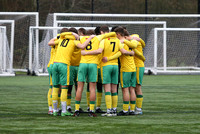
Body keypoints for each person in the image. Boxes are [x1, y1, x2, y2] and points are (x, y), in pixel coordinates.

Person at [48, 28, 95, 116]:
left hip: (54, 64)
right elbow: (83, 46)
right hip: (64, 65)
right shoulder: (73, 41)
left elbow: (50, 43)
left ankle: (54, 110)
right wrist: (90, 38)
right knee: (65, 88)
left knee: (55, 88)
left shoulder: (61, 39)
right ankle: (64, 111)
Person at [81, 25, 122, 116]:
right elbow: (121, 51)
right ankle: (114, 110)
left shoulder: (103, 41)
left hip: (104, 66)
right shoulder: (117, 40)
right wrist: (111, 58)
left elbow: (99, 51)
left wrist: (86, 53)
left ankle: (108, 110)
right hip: (115, 65)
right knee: (114, 89)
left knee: (105, 89)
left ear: (102, 32)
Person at [74, 29, 116, 117]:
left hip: (83, 64)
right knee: (92, 88)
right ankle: (91, 110)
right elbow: (112, 33)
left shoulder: (81, 38)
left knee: (79, 88)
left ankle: (77, 109)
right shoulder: (98, 38)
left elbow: (73, 35)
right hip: (93, 65)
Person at [47, 33, 61, 115]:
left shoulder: (55, 41)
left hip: (51, 65)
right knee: (55, 88)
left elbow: (50, 42)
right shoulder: (61, 42)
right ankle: (52, 108)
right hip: (55, 65)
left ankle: (52, 108)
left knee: (53, 87)